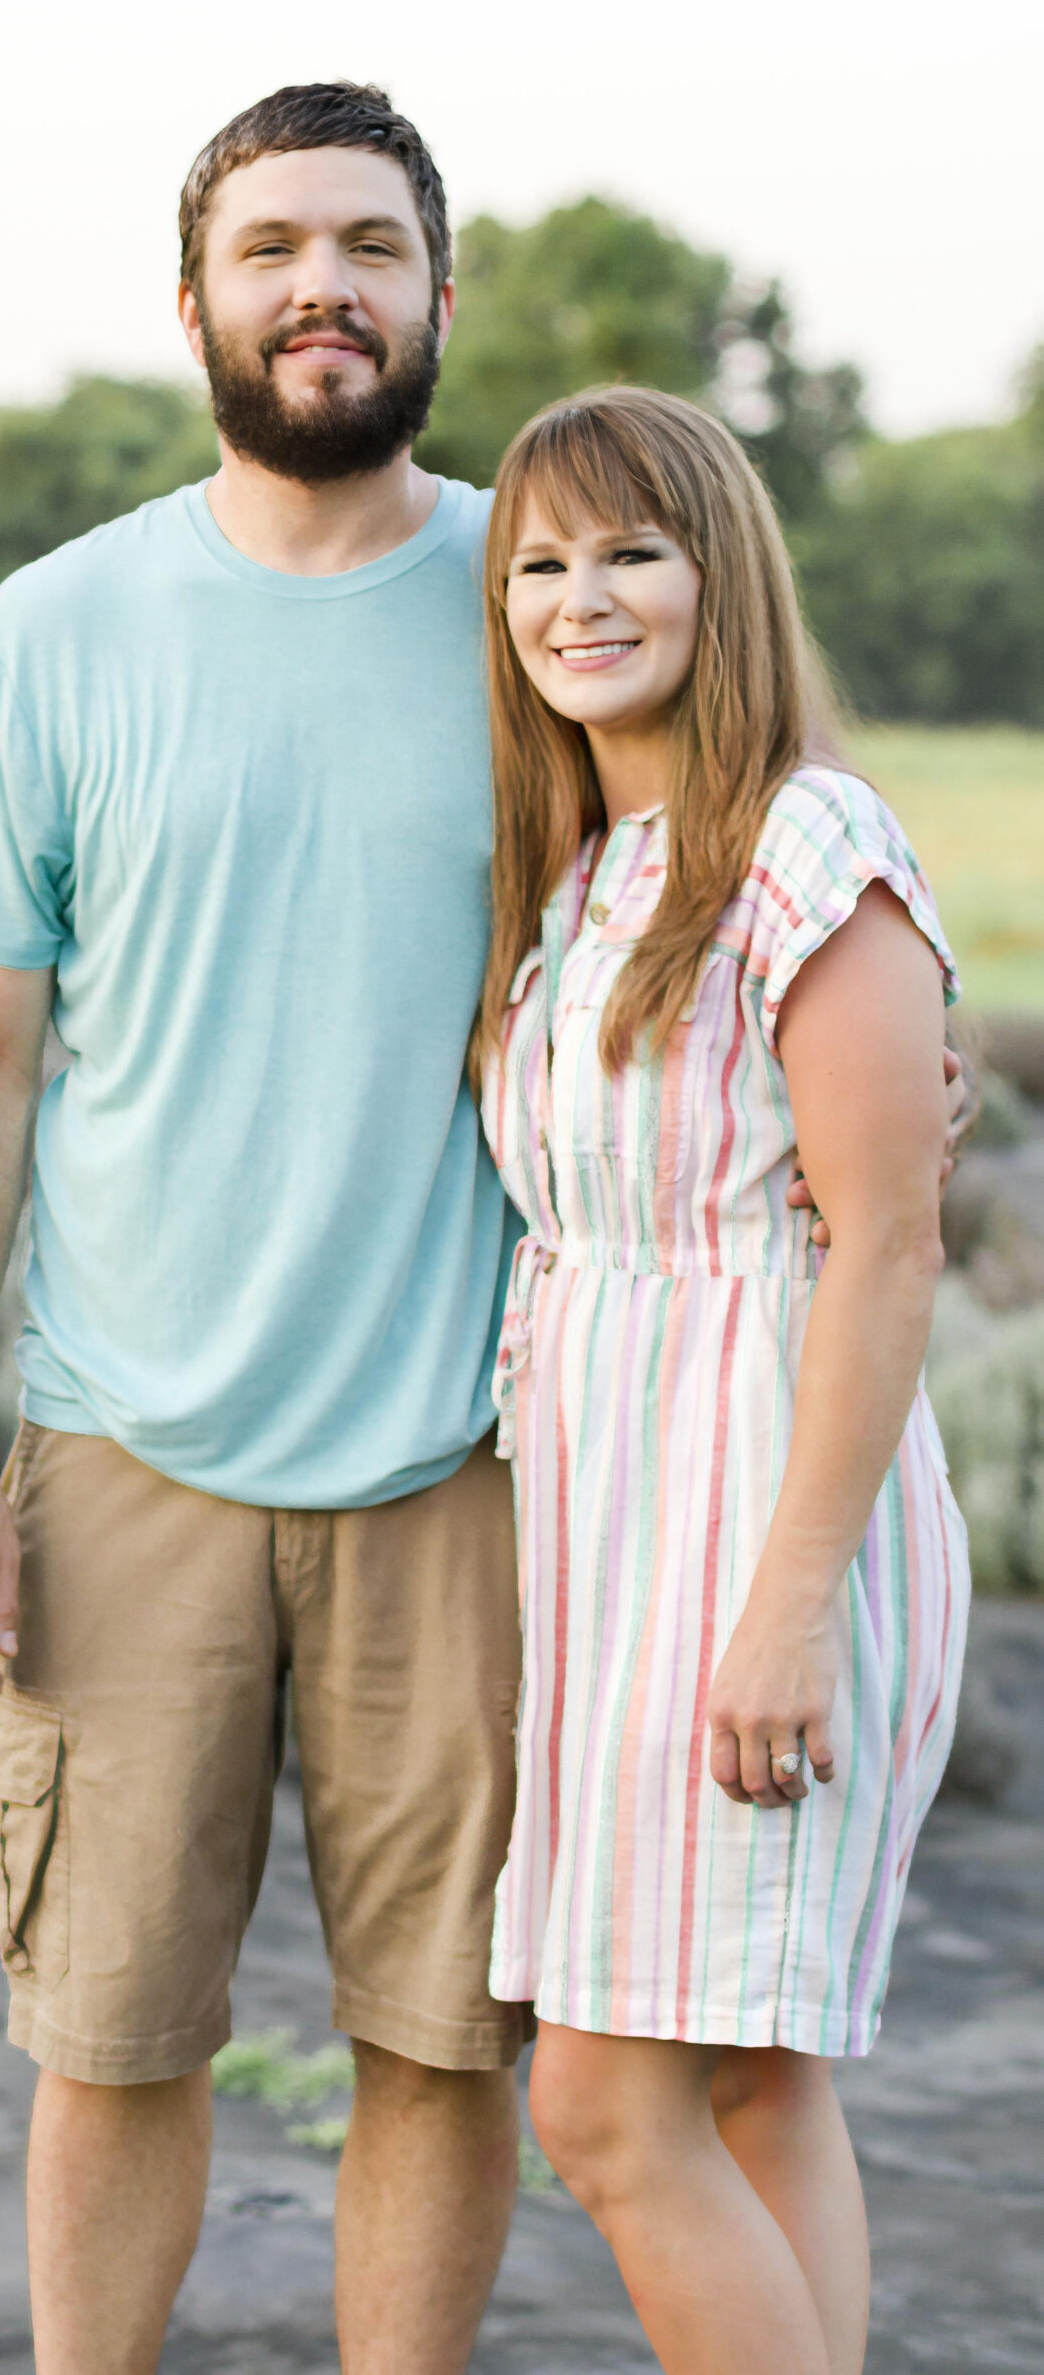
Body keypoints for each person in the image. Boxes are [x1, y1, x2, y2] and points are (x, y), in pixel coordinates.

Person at [0, 81, 528, 2375]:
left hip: (465, 1455)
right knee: (112, 2028)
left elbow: (765, 839)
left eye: (365, 246)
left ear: (438, 299)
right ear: (195, 306)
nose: (319, 289)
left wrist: (906, 1017)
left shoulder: (541, 597)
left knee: (443, 2037)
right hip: (121, 1449)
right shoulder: (56, 630)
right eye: (270, 250)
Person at [474, 384, 970, 2375]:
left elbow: (884, 1239)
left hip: (757, 1520)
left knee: (597, 2102)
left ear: (718, 573)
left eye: (623, 551)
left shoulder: (801, 842)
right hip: (609, 1530)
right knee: (753, 2084)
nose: (574, 597)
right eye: (533, 562)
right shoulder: (583, 865)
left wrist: (783, 1600)